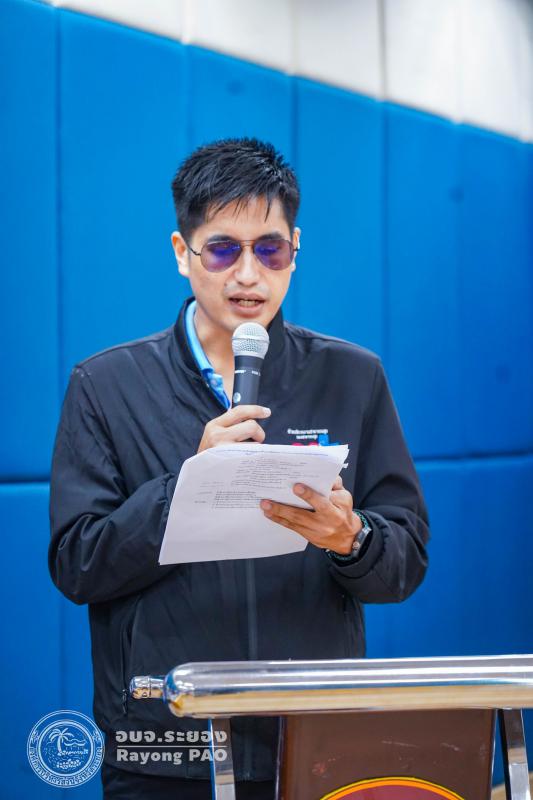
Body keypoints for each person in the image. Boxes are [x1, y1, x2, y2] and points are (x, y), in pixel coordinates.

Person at [48, 137, 429, 800]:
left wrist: (353, 539)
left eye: (269, 249)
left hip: (313, 738)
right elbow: (78, 565)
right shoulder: (105, 386)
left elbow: (406, 559)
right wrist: (185, 488)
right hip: (165, 746)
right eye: (223, 249)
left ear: (294, 250)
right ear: (182, 252)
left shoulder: (352, 376)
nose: (248, 275)